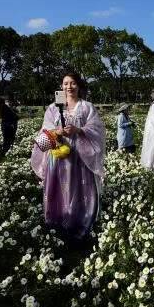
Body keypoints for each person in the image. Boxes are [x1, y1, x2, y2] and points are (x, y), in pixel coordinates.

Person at [30, 72, 106, 240]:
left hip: (80, 157)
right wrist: (57, 131)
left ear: (79, 86)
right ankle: (58, 220)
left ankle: (80, 219)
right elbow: (45, 131)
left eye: (72, 83)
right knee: (60, 188)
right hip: (58, 157)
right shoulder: (53, 108)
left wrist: (78, 130)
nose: (69, 87)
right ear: (61, 87)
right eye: (65, 83)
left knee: (78, 188)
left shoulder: (87, 107)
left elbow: (98, 130)